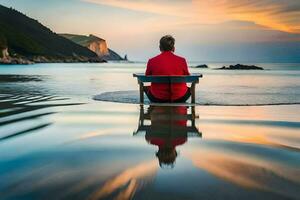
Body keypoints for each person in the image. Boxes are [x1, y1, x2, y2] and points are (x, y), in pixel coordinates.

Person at [145, 35, 191, 103]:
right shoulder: (182, 60)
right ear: (173, 48)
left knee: (145, 88)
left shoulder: (151, 61)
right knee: (190, 89)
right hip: (180, 97)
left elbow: (147, 76)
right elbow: (187, 76)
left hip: (157, 98)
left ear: (160, 48)